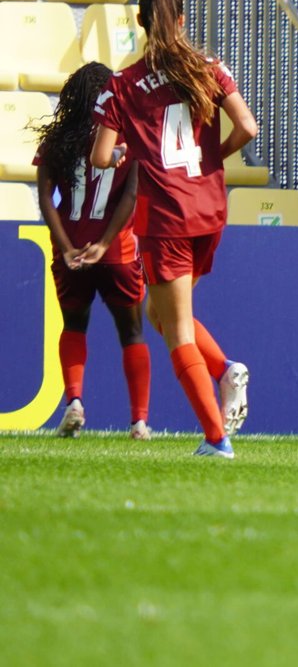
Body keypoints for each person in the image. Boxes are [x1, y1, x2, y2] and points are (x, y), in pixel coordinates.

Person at [90, 0, 257, 459]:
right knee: (160, 317)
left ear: (141, 24)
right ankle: (225, 371)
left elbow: (102, 157)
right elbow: (247, 127)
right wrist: (212, 158)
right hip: (209, 211)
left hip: (165, 216)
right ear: (181, 21)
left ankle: (215, 439)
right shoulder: (209, 68)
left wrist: (127, 151)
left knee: (174, 328)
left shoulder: (121, 84)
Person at [33, 62, 151, 441]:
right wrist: (104, 243)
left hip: (71, 251)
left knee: (73, 325)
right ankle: (139, 422)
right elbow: (131, 196)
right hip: (116, 250)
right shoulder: (128, 139)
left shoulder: (55, 143)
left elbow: (46, 201)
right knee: (132, 333)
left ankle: (74, 404)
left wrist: (68, 248)